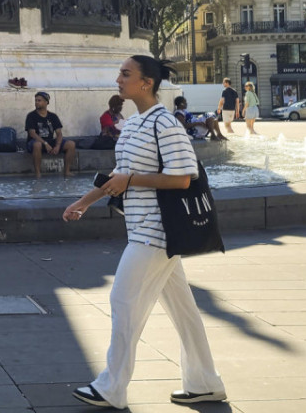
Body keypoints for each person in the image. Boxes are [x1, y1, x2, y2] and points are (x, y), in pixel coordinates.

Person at [61, 55, 226, 409]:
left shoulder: (165, 124)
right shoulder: (134, 124)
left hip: (156, 232)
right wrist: (84, 201)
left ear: (146, 83)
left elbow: (183, 178)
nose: (118, 79)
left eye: (125, 74)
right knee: (185, 312)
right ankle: (204, 382)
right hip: (142, 226)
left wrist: (131, 180)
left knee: (123, 302)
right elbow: (119, 174)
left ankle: (111, 386)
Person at [25, 91, 77, 178]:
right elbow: (32, 134)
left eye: (39, 100)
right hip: (36, 142)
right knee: (37, 145)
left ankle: (67, 171)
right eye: (36, 100)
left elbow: (59, 133)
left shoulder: (53, 116)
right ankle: (38, 173)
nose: (36, 102)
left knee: (71, 144)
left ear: (46, 102)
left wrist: (57, 146)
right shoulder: (31, 116)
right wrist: (45, 144)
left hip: (50, 141)